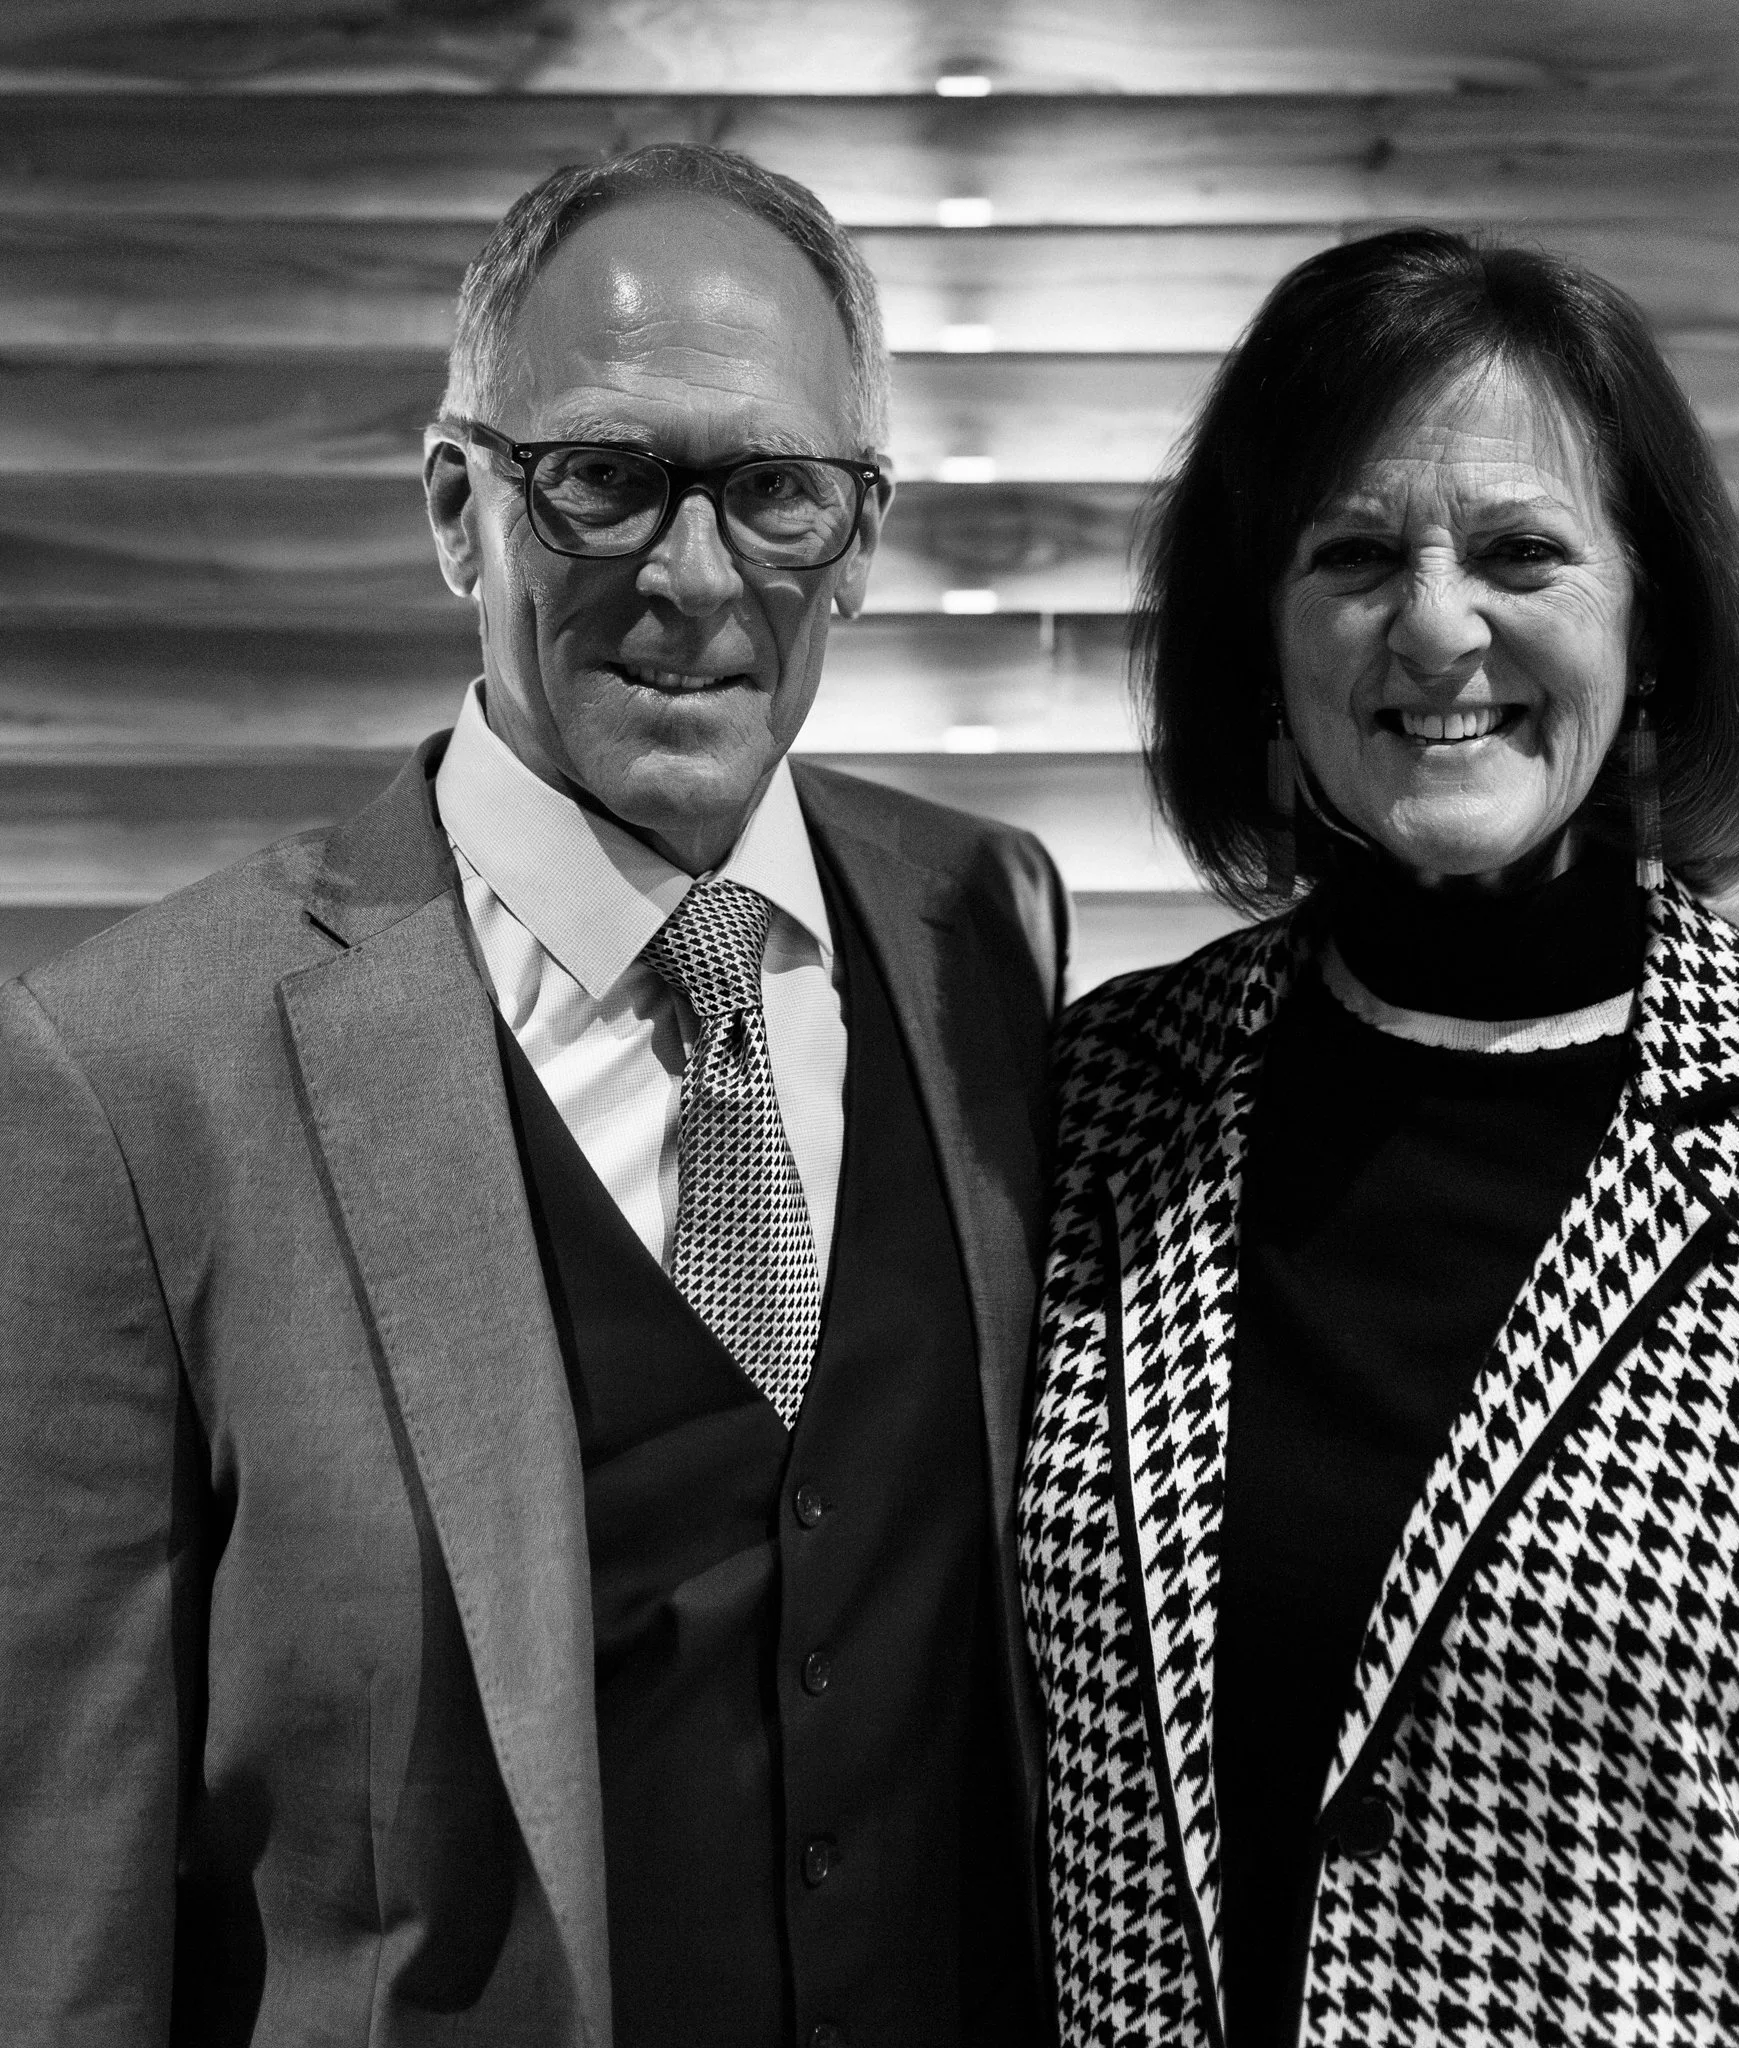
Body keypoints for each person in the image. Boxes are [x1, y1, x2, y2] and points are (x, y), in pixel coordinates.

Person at [0, 145, 1060, 2047]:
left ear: (863, 531)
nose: (695, 571)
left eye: (777, 491)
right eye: (602, 479)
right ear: (455, 507)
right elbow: (57, 1910)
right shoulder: (136, 1072)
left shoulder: (984, 925)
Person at [1019, 227, 1739, 2046]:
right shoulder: (1102, 1110)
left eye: (1518, 552)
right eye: (1351, 555)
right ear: (1260, 639)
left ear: (1649, 627)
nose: (1433, 628)